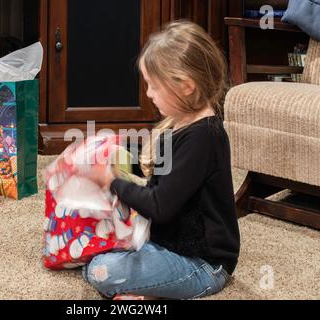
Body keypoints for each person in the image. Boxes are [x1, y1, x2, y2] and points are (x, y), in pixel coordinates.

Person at [80, 21, 240, 300]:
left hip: (203, 264)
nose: (148, 94)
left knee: (100, 271)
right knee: (92, 247)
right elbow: (156, 172)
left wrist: (112, 182)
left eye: (154, 86)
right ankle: (153, 287)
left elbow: (160, 205)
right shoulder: (177, 126)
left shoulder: (204, 138)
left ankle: (156, 290)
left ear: (186, 86)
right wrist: (114, 155)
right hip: (166, 244)